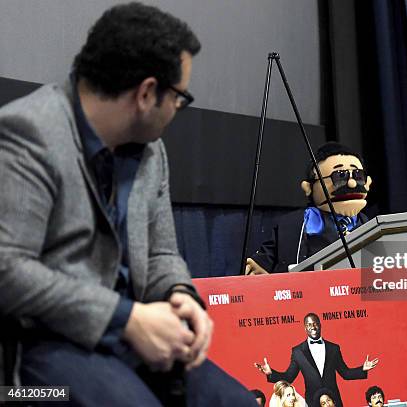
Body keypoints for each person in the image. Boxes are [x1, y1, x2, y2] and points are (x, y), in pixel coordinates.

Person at [0, 3, 256, 406]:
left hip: (129, 337)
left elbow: (161, 252)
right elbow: (7, 271)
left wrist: (180, 294)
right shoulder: (29, 134)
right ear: (146, 93)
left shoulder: (152, 151)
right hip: (39, 347)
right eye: (179, 97)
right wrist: (126, 318)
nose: (178, 109)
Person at [245, 142, 373, 274]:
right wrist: (259, 268)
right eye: (340, 176)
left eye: (358, 176)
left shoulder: (371, 226)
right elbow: (266, 260)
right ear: (308, 187)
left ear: (368, 182)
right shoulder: (291, 225)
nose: (352, 183)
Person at [254, 313, 379, 407]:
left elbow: (345, 373)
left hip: (333, 399)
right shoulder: (298, 352)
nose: (312, 327)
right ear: (305, 328)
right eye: (308, 324)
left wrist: (362, 369)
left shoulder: (333, 348)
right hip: (312, 401)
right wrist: (271, 373)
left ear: (320, 325)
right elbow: (289, 377)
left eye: (315, 323)